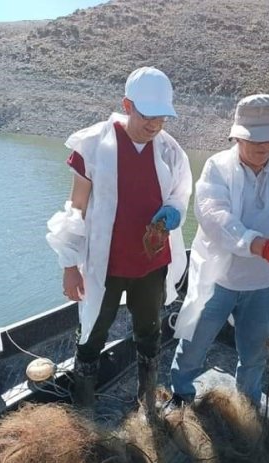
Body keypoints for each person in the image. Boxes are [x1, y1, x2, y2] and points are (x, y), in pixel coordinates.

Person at [169, 93, 269, 407]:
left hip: (264, 284)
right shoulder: (217, 168)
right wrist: (259, 245)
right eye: (257, 141)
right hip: (221, 279)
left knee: (255, 353)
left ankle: (248, 406)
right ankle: (181, 393)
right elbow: (214, 217)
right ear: (237, 137)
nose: (265, 147)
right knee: (194, 343)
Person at [46, 67, 193, 411]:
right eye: (147, 116)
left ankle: (148, 402)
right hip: (105, 265)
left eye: (162, 118)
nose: (155, 125)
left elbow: (180, 194)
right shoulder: (94, 145)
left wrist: (172, 211)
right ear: (128, 105)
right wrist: (69, 265)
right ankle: (84, 406)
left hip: (151, 264)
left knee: (149, 332)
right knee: (92, 332)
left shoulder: (170, 151)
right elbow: (77, 208)